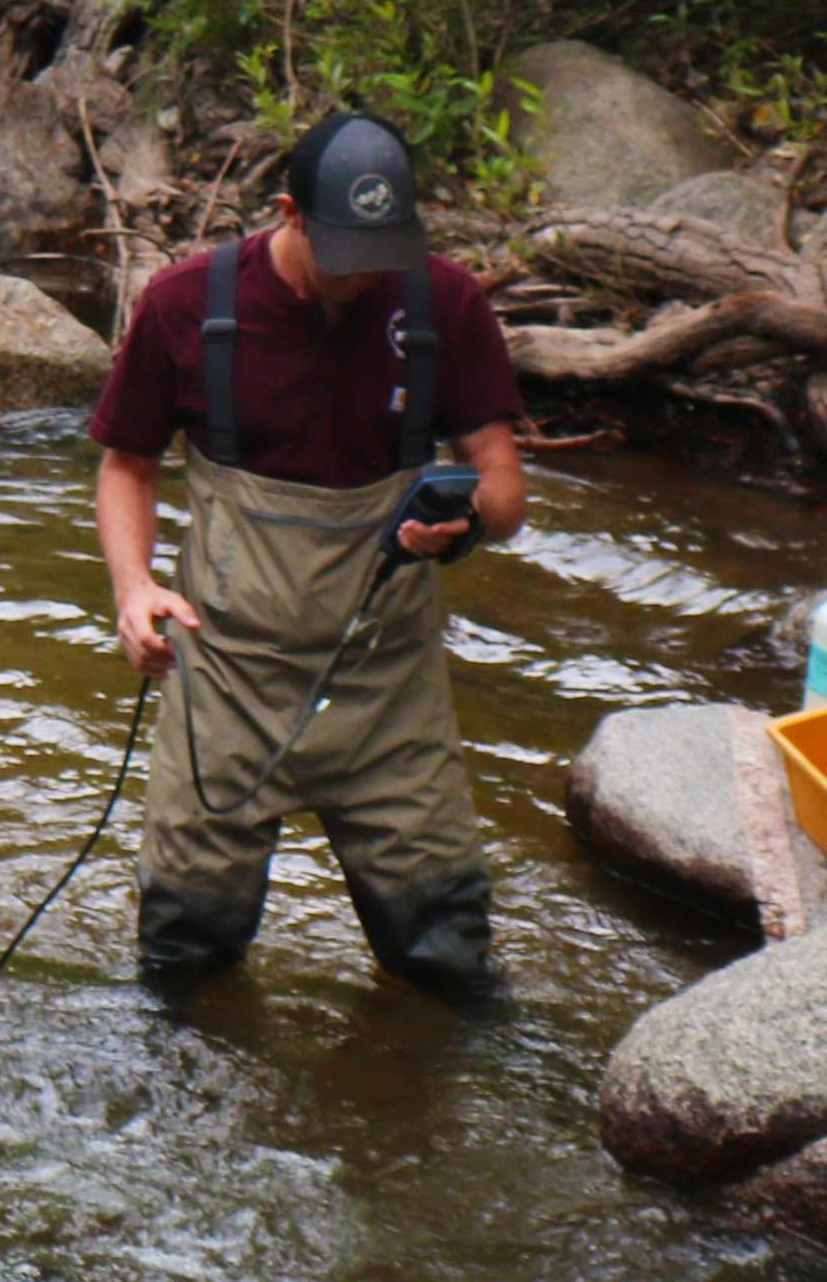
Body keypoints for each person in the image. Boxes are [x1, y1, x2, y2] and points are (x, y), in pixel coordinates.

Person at [83, 109, 528, 994]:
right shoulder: (185, 305)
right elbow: (127, 467)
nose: (367, 276)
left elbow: (505, 485)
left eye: (383, 254)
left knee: (450, 966)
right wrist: (134, 592)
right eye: (345, 253)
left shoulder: (444, 303)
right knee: (183, 966)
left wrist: (468, 522)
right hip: (226, 682)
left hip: (388, 686)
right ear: (288, 212)